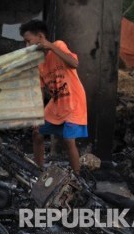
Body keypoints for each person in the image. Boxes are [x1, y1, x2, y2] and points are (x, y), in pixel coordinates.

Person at [19, 20, 87, 174]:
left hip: (73, 101)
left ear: (41, 37)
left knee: (68, 140)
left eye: (28, 41)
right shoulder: (39, 63)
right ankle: (38, 171)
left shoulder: (59, 45)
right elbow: (40, 91)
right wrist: (37, 115)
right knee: (37, 133)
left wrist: (51, 46)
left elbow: (74, 63)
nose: (27, 46)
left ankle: (78, 178)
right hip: (56, 103)